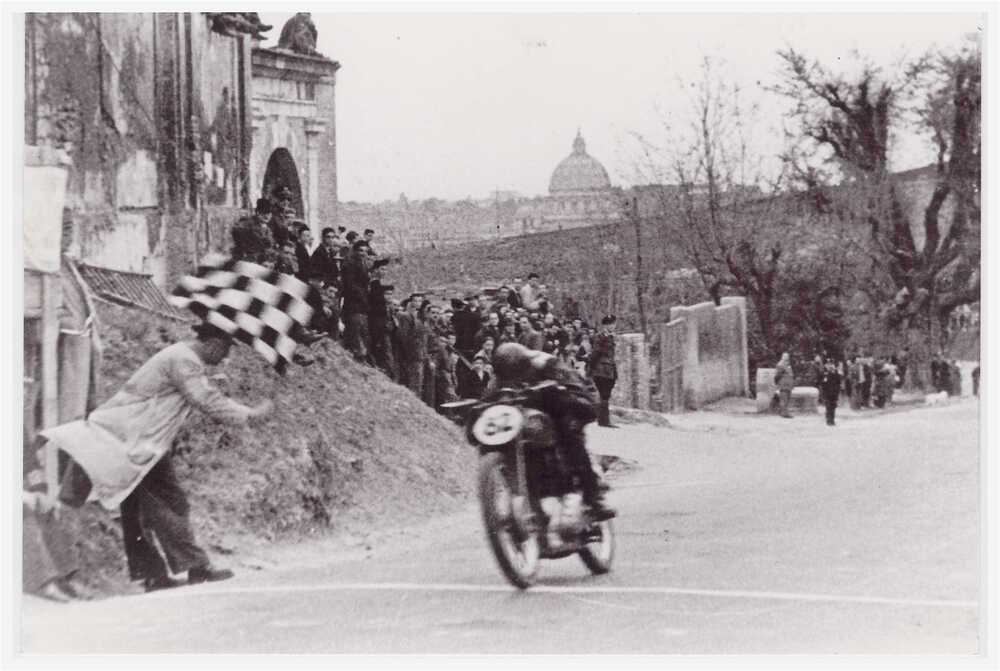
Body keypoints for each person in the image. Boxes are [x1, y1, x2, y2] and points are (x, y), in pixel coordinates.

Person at [41, 323, 273, 592]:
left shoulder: (179, 356)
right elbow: (205, 399)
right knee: (172, 501)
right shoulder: (184, 360)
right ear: (214, 343)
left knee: (135, 508)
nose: (225, 357)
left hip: (129, 436)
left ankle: (151, 574)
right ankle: (195, 566)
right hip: (140, 440)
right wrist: (248, 415)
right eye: (225, 349)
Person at [490, 342, 615, 521]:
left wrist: (558, 390)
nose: (512, 379)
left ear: (523, 365)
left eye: (515, 374)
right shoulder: (501, 375)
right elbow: (491, 396)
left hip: (567, 404)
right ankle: (535, 511)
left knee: (569, 434)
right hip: (530, 416)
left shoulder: (546, 363)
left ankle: (594, 499)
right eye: (507, 375)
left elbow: (575, 388)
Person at [340, 240, 373, 363]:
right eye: (360, 250)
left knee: (362, 330)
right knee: (356, 328)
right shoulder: (350, 264)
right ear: (355, 251)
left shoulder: (363, 263)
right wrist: (362, 296)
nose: (363, 253)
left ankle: (362, 356)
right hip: (354, 302)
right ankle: (358, 355)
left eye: (365, 251)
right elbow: (350, 284)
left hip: (362, 302)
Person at [587, 315, 619, 428]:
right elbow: (596, 353)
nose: (613, 326)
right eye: (610, 324)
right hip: (601, 369)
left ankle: (603, 420)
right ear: (605, 325)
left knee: (606, 395)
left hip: (609, 370)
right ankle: (604, 420)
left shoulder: (612, 337)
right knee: (604, 394)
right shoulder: (600, 337)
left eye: (614, 324)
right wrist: (591, 368)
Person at [231, 198, 276, 265]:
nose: (267, 216)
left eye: (269, 213)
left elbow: (269, 247)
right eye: (263, 212)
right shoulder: (247, 224)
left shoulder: (267, 229)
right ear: (257, 212)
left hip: (261, 260)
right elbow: (237, 230)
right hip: (246, 261)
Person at [820, 358, 842, 426]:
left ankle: (832, 419)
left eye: (831, 364)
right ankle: (828, 420)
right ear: (826, 365)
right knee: (828, 406)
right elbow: (822, 383)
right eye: (828, 364)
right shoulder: (824, 373)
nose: (830, 366)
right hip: (827, 393)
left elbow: (839, 382)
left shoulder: (836, 373)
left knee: (833, 406)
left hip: (834, 393)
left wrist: (837, 392)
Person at [774, 352, 795, 418]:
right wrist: (777, 382)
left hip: (788, 385)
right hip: (783, 384)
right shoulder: (780, 364)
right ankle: (784, 413)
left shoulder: (787, 364)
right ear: (782, 357)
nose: (787, 358)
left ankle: (785, 412)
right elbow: (777, 375)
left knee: (787, 399)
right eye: (785, 356)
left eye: (787, 356)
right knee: (784, 399)